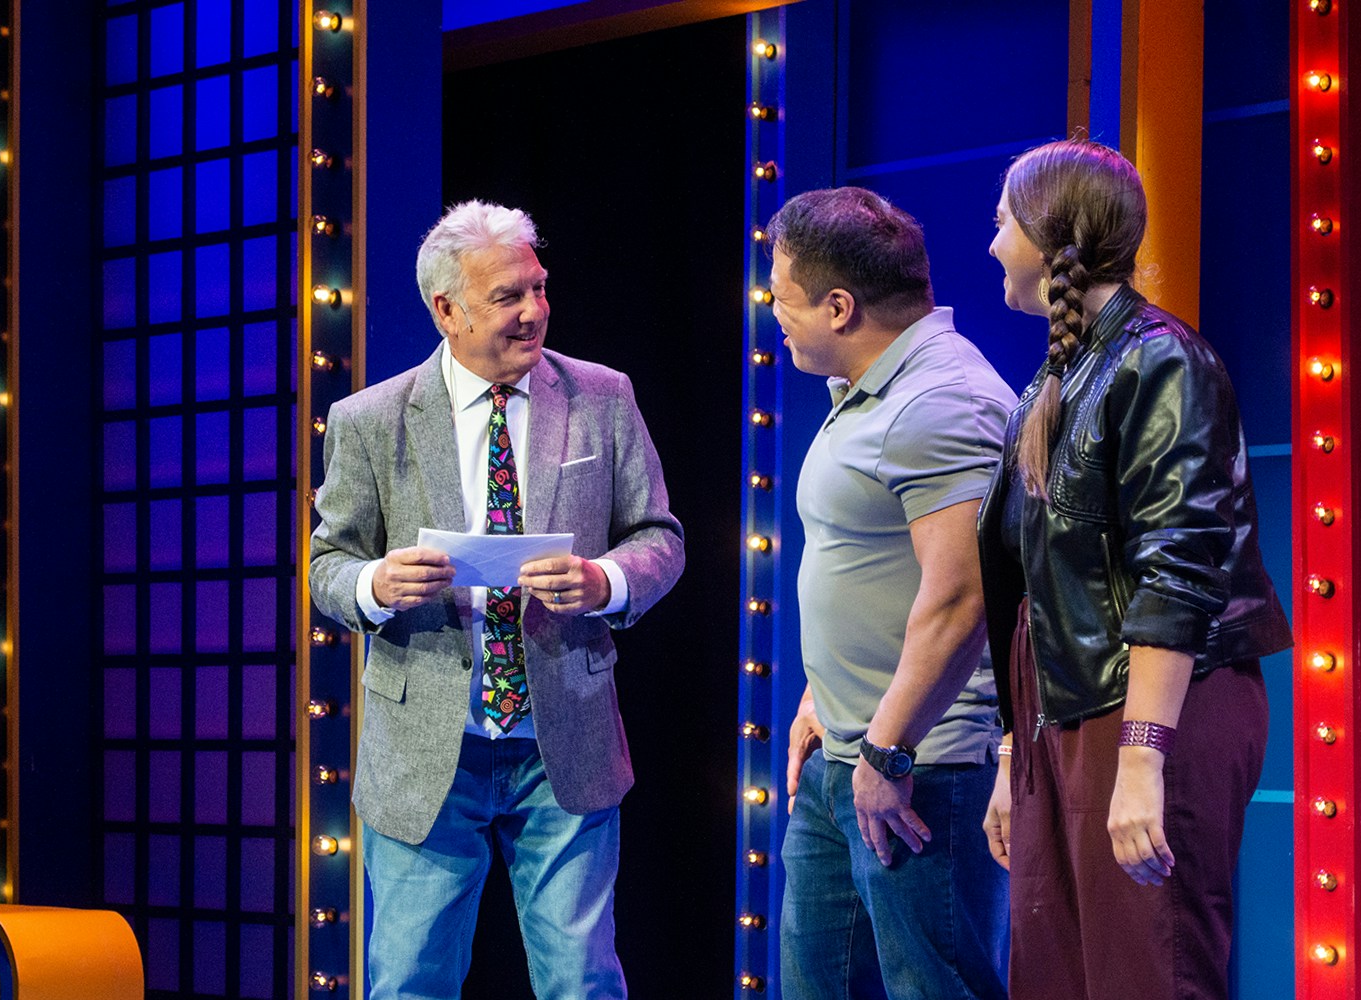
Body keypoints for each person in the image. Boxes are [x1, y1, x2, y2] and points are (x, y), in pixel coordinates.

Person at [309, 200, 684, 1000]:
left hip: (564, 745)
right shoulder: (370, 420)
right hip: (426, 755)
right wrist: (375, 585)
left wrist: (604, 582)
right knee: (410, 982)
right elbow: (326, 565)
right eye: (509, 296)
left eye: (539, 288)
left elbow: (660, 536)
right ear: (447, 309)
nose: (534, 311)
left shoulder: (601, 397)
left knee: (582, 982)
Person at [977, 139, 1292, 999]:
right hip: (1065, 717)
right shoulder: (1051, 383)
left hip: (1153, 710)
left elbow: (1178, 570)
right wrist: (1015, 758)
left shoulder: (1161, 360)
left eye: (1002, 221)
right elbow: (1032, 591)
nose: (992, 242)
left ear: (1049, 234)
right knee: (1058, 975)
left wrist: (1144, 756)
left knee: (1150, 972)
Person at [769, 187, 1013, 1000]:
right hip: (848, 752)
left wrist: (889, 746)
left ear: (839, 306)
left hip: (918, 771)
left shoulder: (938, 402)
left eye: (784, 299)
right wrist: (822, 693)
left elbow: (963, 599)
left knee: (932, 989)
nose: (777, 316)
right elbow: (873, 566)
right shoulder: (868, 390)